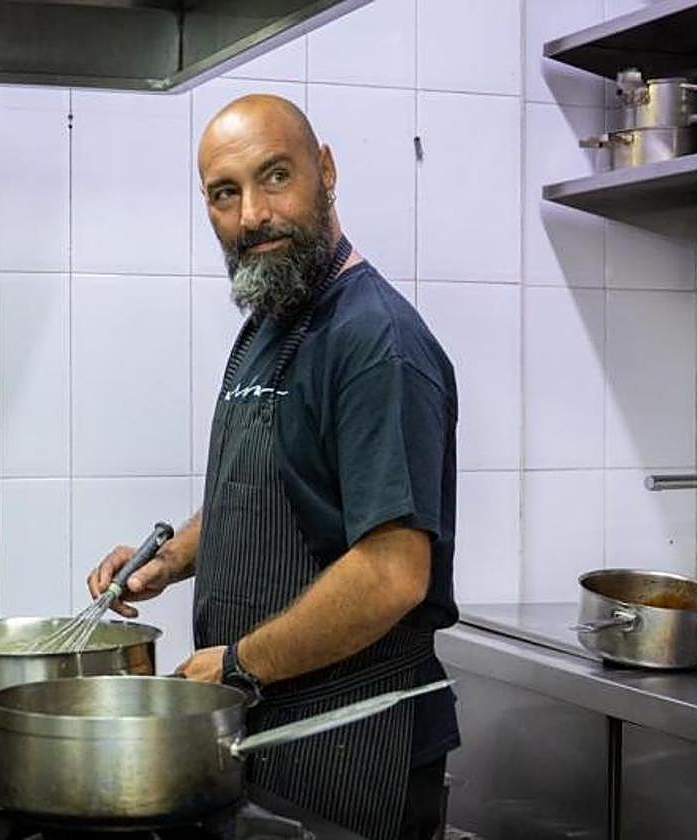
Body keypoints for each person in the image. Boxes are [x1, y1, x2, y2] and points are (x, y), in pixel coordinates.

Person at [87, 94, 459, 840]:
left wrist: (237, 664)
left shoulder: (374, 342)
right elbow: (274, 490)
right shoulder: (274, 319)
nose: (252, 214)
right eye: (225, 194)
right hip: (272, 729)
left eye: (275, 177)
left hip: (357, 742)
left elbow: (393, 571)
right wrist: (168, 560)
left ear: (325, 171)